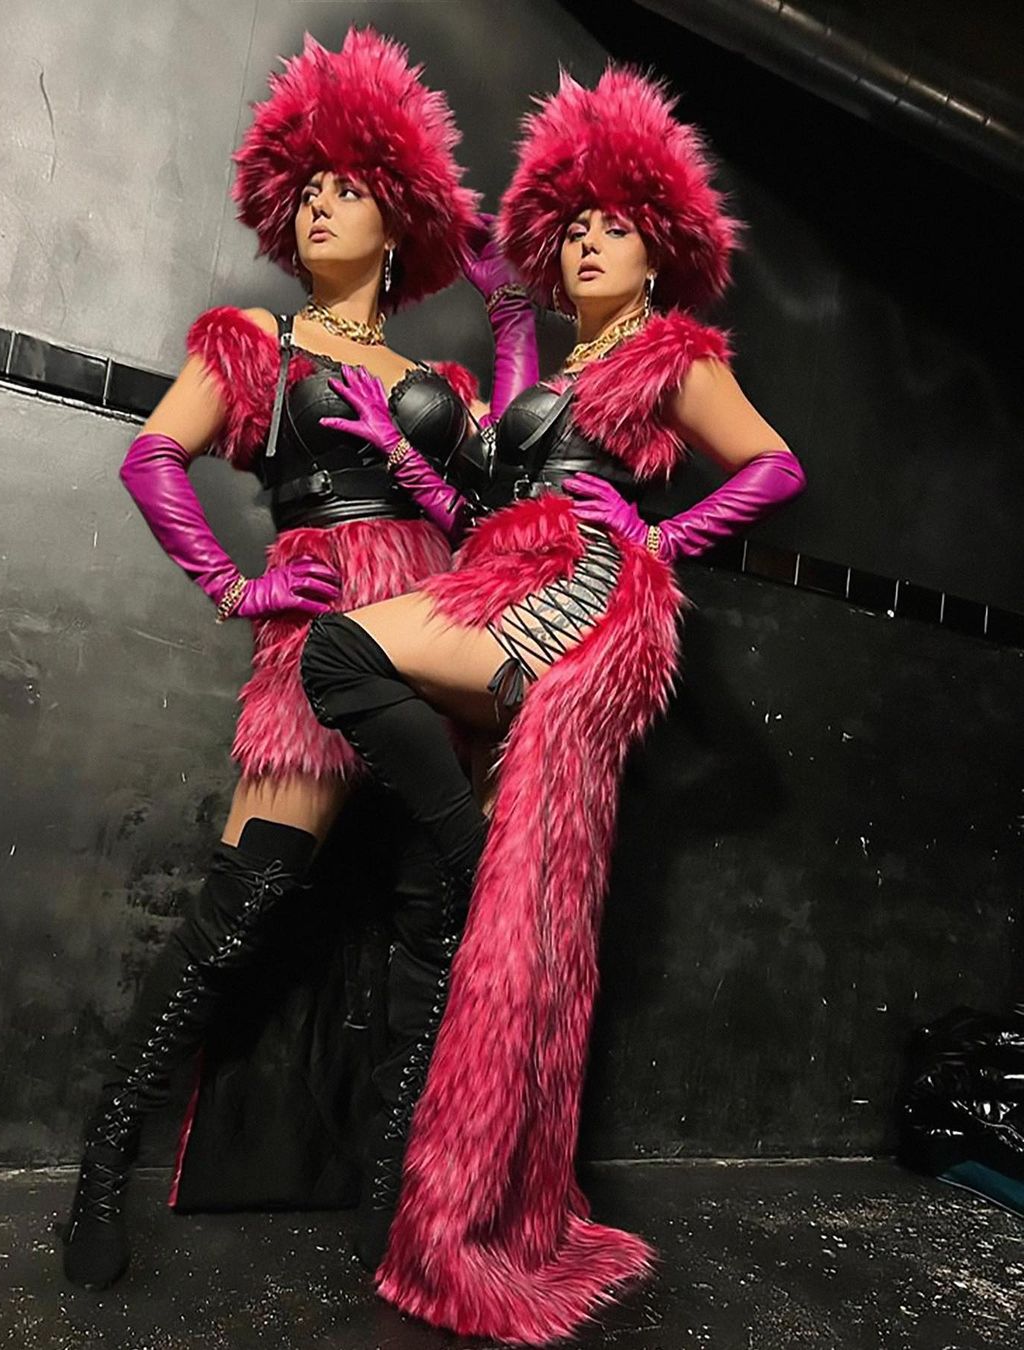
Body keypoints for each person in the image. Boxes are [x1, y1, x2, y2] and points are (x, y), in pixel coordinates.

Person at [298, 65, 807, 1343]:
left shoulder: (673, 356)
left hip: (576, 593)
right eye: (574, 225)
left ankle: (489, 831)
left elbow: (775, 466)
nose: (587, 242)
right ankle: (488, 878)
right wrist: (430, 396)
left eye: (613, 227)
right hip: (505, 569)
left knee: (343, 657)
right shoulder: (557, 356)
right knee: (364, 693)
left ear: (658, 251)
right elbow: (497, 443)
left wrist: (659, 537)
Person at [58, 26, 538, 1291]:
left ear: (396, 221)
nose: (320, 205)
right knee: (245, 907)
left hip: (436, 629)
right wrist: (238, 583)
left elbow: (508, 482)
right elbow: (152, 458)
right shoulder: (255, 344)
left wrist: (508, 311)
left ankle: (393, 1207)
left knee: (432, 925)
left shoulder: (438, 377)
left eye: (348, 187)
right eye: (307, 189)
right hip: (323, 641)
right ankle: (100, 1167)